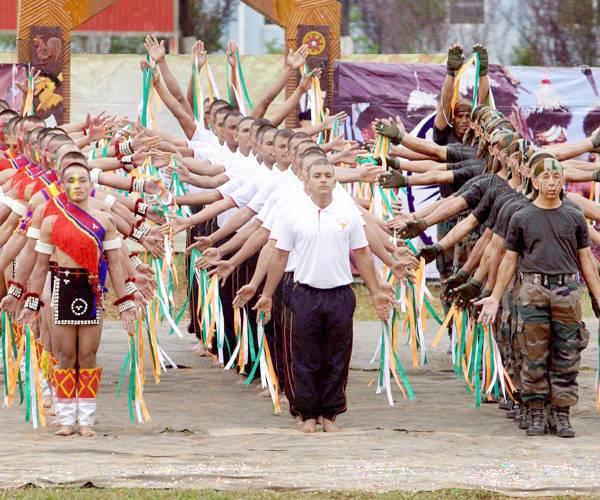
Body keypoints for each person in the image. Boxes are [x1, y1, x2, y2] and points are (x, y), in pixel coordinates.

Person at [254, 159, 394, 433]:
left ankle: (330, 413)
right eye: (317, 175)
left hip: (339, 294)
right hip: (304, 293)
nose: (323, 180)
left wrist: (376, 290)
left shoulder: (348, 213)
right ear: (306, 181)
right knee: (304, 355)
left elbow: (363, 254)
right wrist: (268, 294)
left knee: (337, 356)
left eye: (328, 175)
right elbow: (280, 255)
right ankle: (306, 413)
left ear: (334, 180)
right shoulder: (293, 213)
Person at [475, 155, 600, 438]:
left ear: (563, 180)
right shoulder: (522, 217)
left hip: (567, 292)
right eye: (545, 177)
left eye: (557, 177)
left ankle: (561, 413)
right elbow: (508, 261)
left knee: (567, 353)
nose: (552, 183)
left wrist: (597, 296)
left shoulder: (574, 216)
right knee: (532, 353)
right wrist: (495, 296)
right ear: (534, 179)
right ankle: (535, 411)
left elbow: (586, 261)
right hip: (532, 292)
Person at [18, 164, 138, 436]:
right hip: (63, 288)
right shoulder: (51, 222)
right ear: (62, 185)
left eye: (83, 180)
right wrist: (31, 300)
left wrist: (126, 302)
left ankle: (86, 419)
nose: (78, 185)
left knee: (87, 355)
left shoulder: (104, 221)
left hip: (91, 290)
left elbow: (116, 265)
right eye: (71, 181)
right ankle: (65, 418)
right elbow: (40, 267)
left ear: (89, 184)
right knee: (65, 355)